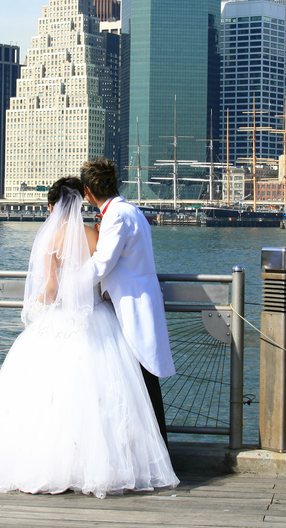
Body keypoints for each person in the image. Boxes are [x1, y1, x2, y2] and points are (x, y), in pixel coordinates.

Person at [0, 177, 178, 498]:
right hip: (100, 319)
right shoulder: (95, 235)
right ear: (81, 202)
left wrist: (38, 304)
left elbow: (50, 290)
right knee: (104, 394)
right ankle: (105, 466)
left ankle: (56, 464)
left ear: (52, 207)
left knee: (50, 396)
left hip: (62, 320)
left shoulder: (51, 240)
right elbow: (104, 277)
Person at [81, 158, 174, 444]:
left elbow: (102, 263)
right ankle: (155, 450)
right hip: (139, 300)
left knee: (143, 380)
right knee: (144, 379)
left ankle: (157, 452)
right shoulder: (129, 210)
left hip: (133, 305)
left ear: (89, 190)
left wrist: (69, 284)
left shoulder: (117, 216)